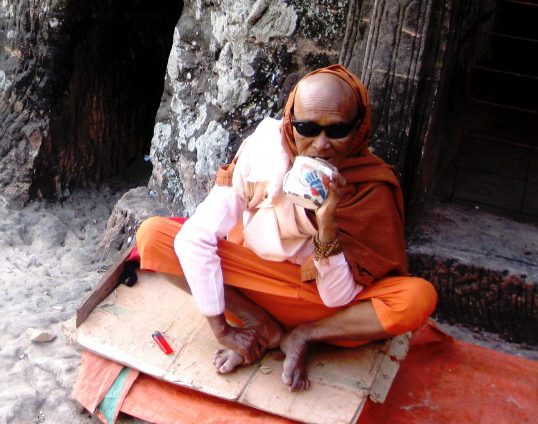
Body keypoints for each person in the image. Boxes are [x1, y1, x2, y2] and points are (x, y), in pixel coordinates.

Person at [134, 65, 437, 392]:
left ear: (359, 129)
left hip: (324, 308)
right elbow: (195, 239)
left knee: (417, 298)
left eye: (337, 131)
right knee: (154, 237)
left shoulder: (370, 185)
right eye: (307, 128)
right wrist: (222, 329)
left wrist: (327, 224)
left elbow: (337, 297)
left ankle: (302, 336)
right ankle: (260, 326)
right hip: (256, 288)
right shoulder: (262, 150)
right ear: (290, 124)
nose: (321, 145)